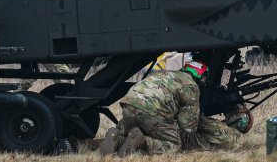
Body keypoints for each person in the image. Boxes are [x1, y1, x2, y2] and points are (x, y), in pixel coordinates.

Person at [100, 60, 250, 156]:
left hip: (129, 104)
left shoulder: (166, 74)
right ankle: (143, 141)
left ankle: (116, 136)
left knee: (135, 129)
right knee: (174, 144)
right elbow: (187, 127)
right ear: (201, 77)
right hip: (152, 111)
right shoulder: (191, 86)